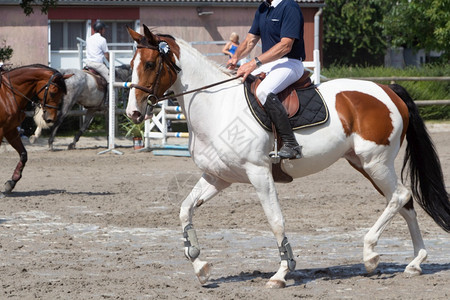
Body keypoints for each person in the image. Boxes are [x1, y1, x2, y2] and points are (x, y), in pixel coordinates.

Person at [228, 0, 305, 159]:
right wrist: (235, 57)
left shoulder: (289, 7)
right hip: (268, 63)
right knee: (237, 85)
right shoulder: (263, 9)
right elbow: (250, 41)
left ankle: (291, 144)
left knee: (264, 90)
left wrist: (253, 63)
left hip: (289, 62)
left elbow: (286, 46)